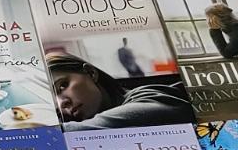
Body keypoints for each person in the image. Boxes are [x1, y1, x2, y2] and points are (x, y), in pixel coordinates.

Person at [45, 53, 195, 131]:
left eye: (62, 86)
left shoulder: (150, 96)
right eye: (53, 103)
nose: (62, 103)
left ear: (91, 73)